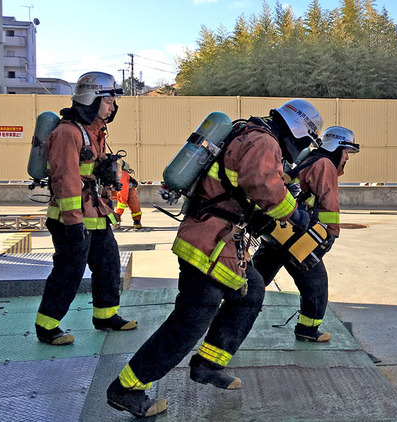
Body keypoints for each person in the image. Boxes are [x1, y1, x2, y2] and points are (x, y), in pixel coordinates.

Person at [106, 99, 323, 418]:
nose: (301, 149)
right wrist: (295, 214)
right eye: (305, 141)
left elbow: (237, 190)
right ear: (298, 131)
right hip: (208, 243)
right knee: (191, 319)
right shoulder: (264, 141)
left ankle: (209, 363)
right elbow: (264, 186)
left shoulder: (245, 132)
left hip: (219, 242)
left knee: (251, 292)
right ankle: (126, 388)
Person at [34, 72, 138, 346]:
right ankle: (47, 326)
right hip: (71, 219)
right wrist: (73, 222)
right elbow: (65, 179)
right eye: (109, 100)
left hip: (96, 213)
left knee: (108, 265)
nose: (113, 106)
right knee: (69, 271)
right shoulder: (68, 133)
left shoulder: (94, 132)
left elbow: (93, 173)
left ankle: (105, 316)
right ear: (92, 99)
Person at [253, 126, 360, 342]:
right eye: (346, 151)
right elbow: (328, 202)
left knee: (256, 278)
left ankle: (224, 311)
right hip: (296, 237)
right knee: (316, 284)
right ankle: (307, 330)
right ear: (336, 147)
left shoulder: (310, 159)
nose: (347, 157)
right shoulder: (325, 164)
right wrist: (330, 234)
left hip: (277, 231)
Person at [112, 161, 143, 229]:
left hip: (116, 191)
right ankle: (113, 219)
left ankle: (137, 220)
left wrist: (118, 214)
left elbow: (123, 195)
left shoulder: (123, 175)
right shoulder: (121, 174)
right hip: (111, 191)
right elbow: (122, 196)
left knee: (132, 195)